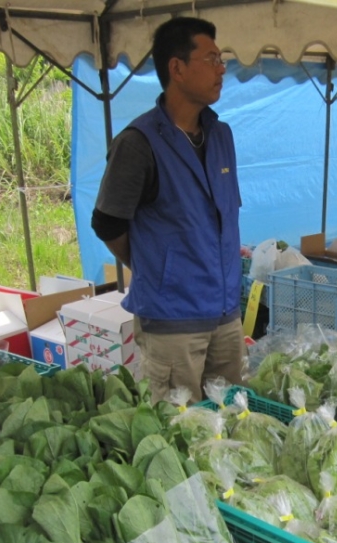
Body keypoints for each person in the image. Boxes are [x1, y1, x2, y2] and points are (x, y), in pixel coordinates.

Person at [91, 16, 244, 404]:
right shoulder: (139, 143)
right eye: (211, 59)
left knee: (233, 424)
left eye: (221, 58)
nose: (222, 68)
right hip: (174, 323)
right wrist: (156, 268)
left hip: (226, 315)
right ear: (177, 68)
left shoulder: (221, 135)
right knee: (183, 434)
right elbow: (108, 222)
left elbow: (221, 216)